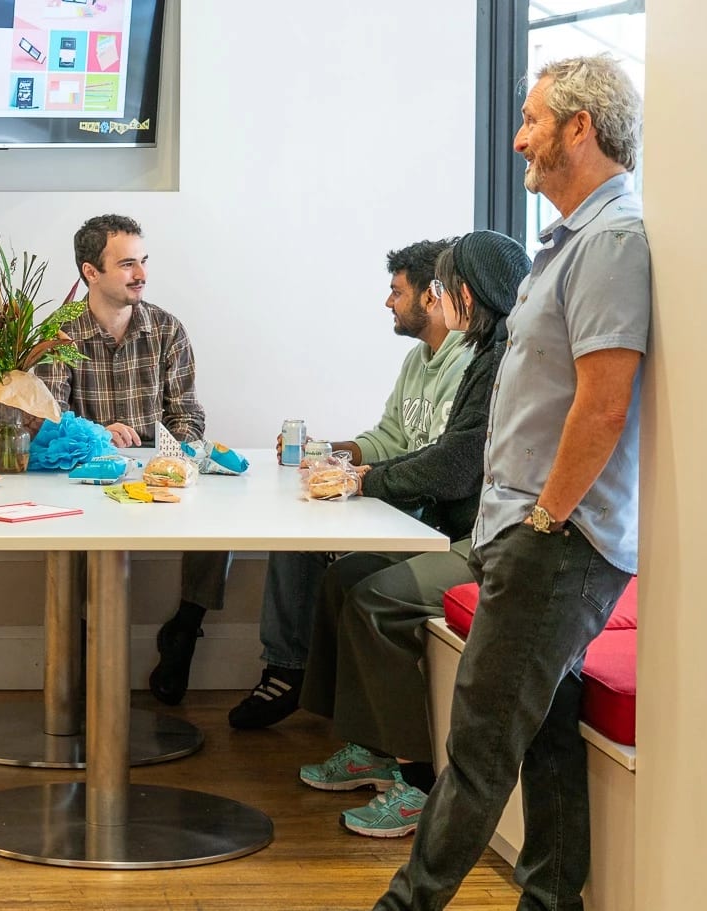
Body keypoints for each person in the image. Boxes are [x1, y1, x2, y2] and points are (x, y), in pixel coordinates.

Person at [374, 54, 649, 911]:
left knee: (480, 744)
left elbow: (602, 407)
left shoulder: (610, 241)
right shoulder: (569, 243)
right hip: (529, 534)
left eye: (532, 119)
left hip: (555, 543)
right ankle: (550, 899)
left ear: (580, 127)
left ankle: (404, 903)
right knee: (546, 741)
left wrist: (541, 523)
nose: (519, 137)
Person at [294, 231, 531, 838]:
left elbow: (456, 463)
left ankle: (417, 783)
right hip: (463, 528)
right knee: (345, 575)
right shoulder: (489, 352)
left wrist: (366, 481)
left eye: (446, 288)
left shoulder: (503, 359)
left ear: (464, 295)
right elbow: (421, 445)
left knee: (377, 600)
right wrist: (360, 468)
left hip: (488, 541)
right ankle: (369, 747)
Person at [230, 238, 471, 728]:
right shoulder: (418, 360)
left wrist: (363, 478)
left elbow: (444, 463)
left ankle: (343, 715)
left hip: (439, 521)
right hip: (405, 505)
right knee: (298, 540)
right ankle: (291, 672)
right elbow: (389, 435)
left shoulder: (469, 365)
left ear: (432, 296)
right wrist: (330, 453)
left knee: (348, 576)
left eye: (396, 291)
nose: (388, 303)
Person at [34, 214, 219, 706]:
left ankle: (185, 626)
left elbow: (188, 412)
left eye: (143, 262)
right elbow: (46, 419)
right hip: (83, 482)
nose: (141, 274)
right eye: (127, 264)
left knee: (221, 524)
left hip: (155, 471)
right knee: (68, 540)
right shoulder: (59, 333)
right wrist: (99, 435)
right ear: (91, 273)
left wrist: (173, 455)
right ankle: (81, 645)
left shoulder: (166, 329)